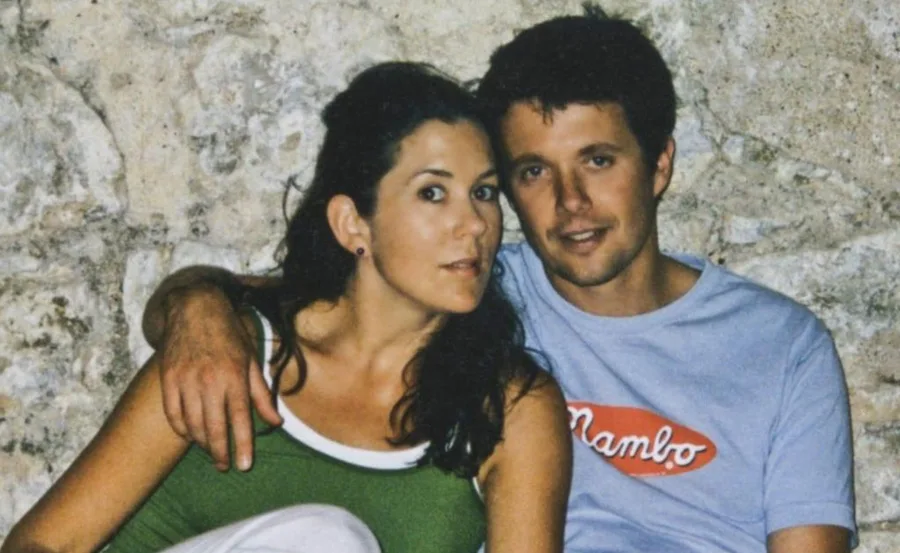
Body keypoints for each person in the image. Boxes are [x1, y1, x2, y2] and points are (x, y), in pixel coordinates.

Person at [125, 7, 856, 553]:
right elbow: (273, 297)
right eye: (534, 173)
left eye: (598, 160)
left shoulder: (781, 347)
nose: (570, 203)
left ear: (659, 165)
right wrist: (196, 306)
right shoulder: (471, 287)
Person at [1, 62, 571, 553]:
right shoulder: (230, 347)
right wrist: (195, 305)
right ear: (353, 223)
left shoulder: (512, 407)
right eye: (432, 192)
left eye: (485, 192)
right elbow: (45, 542)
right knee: (326, 541)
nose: (474, 224)